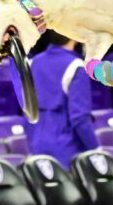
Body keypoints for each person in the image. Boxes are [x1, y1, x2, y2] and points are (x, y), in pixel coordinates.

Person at [8, 30, 98, 167]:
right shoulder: (76, 66)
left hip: (37, 147)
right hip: (68, 152)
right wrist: (96, 149)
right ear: (75, 37)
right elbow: (80, 118)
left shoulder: (32, 63)